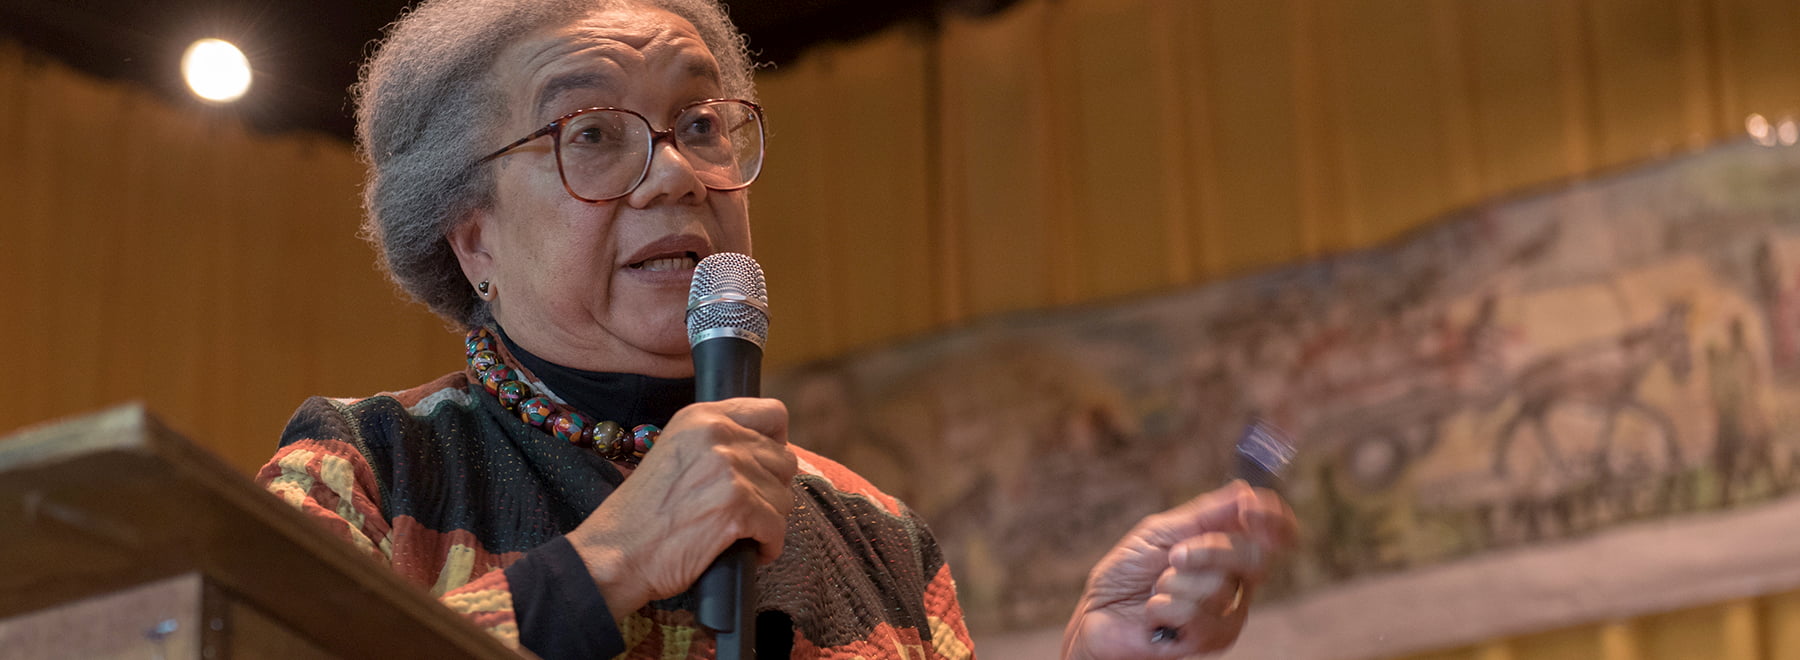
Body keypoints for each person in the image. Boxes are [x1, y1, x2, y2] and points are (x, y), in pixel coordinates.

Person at [254, 0, 1299, 657]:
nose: (675, 173)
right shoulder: (371, 469)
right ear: (470, 238)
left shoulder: (877, 534)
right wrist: (600, 569)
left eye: (701, 125)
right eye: (593, 135)